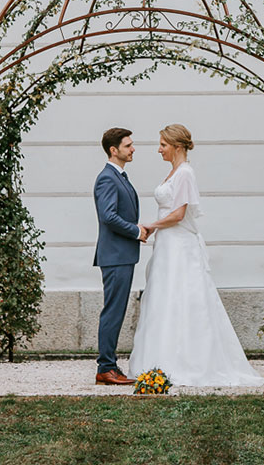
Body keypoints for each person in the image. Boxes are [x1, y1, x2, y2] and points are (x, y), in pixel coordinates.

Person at [127, 124, 264, 386]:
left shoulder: (186, 174)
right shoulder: (173, 173)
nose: (159, 150)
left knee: (183, 299)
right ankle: (158, 360)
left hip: (180, 246)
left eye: (163, 145)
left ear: (177, 146)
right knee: (163, 299)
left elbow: (179, 214)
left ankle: (188, 361)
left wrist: (150, 226)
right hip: (167, 245)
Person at [92, 127, 150, 386]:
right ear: (113, 150)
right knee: (113, 312)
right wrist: (136, 231)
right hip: (115, 255)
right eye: (128, 145)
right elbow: (108, 216)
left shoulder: (120, 177)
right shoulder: (107, 178)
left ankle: (109, 366)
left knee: (116, 310)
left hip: (122, 255)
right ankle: (106, 368)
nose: (133, 149)